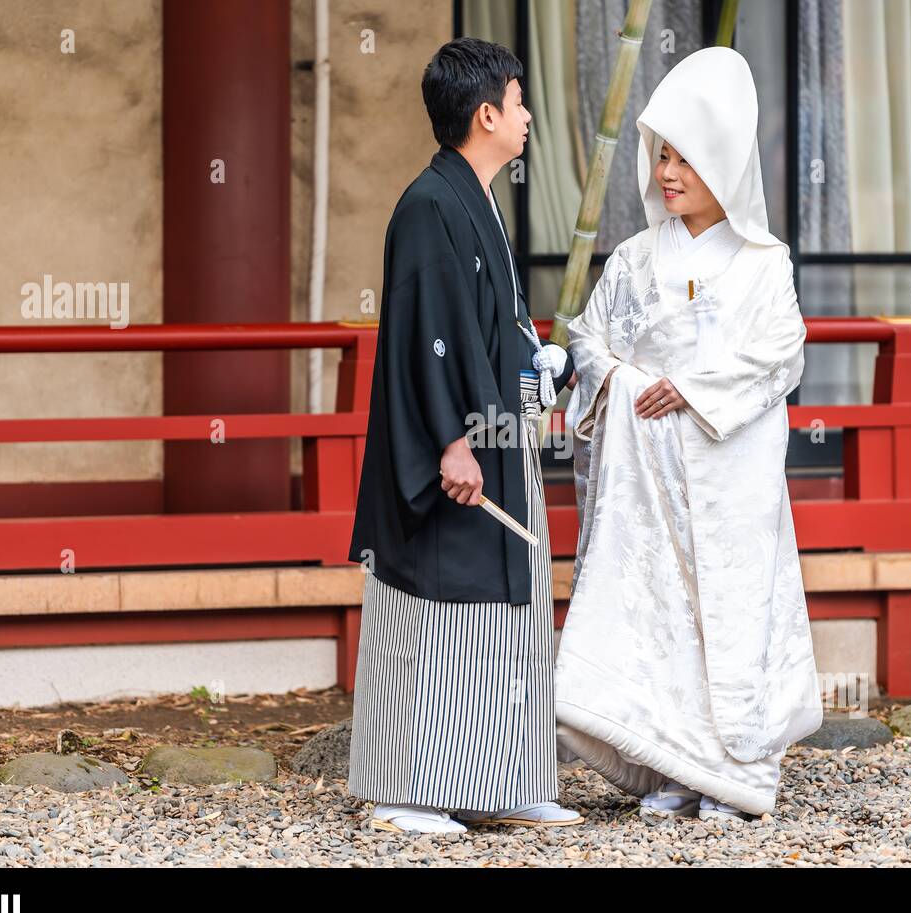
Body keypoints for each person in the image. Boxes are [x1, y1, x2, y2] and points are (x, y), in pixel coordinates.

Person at [554, 47, 823, 823]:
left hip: (726, 473)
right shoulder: (636, 258)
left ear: (723, 162)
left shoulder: (764, 264)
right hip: (648, 478)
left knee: (728, 613)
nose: (667, 171)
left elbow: (781, 355)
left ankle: (731, 772)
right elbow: (587, 339)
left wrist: (695, 389)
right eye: (661, 155)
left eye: (684, 157)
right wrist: (629, 383)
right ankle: (669, 763)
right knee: (658, 613)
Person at [346, 37, 583, 834]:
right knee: (442, 614)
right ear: (486, 113)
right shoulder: (430, 205)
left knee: (505, 614)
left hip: (496, 440)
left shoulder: (473, 199)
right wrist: (452, 440)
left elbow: (489, 328)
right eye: (519, 102)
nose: (526, 117)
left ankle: (499, 777)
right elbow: (428, 334)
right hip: (457, 450)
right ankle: (409, 787)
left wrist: (539, 364)